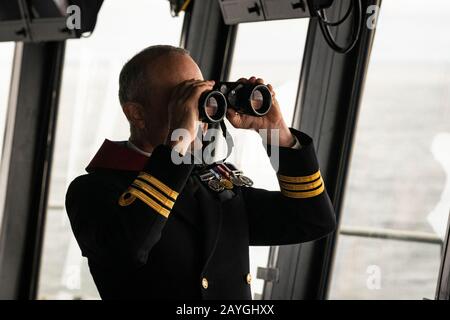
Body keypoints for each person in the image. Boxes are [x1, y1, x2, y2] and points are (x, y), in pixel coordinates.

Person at [65, 45, 336, 299]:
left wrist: (277, 133)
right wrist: (179, 142)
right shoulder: (93, 191)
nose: (199, 110)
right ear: (137, 114)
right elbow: (129, 249)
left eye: (202, 94)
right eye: (182, 98)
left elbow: (312, 220)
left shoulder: (211, 184)